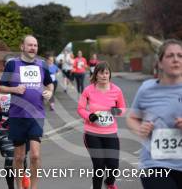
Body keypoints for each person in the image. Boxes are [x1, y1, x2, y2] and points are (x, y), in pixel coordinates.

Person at [0, 35, 53, 189]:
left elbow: (49, 84)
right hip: (17, 116)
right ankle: (20, 187)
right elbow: (1, 87)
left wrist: (49, 92)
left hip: (36, 115)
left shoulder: (42, 65)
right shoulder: (12, 64)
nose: (33, 48)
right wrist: (14, 89)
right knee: (19, 157)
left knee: (35, 155)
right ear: (22, 46)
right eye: (30, 45)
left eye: (35, 45)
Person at [126, 39, 182, 189]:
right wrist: (140, 129)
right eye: (170, 56)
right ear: (160, 62)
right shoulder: (146, 89)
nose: (176, 59)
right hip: (154, 164)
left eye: (180, 55)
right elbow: (132, 117)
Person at [77, 61, 126, 189]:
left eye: (106, 73)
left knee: (113, 166)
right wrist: (89, 116)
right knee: (99, 165)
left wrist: (118, 111)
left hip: (110, 133)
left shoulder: (116, 90)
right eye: (101, 73)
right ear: (96, 75)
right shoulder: (89, 90)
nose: (104, 76)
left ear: (109, 75)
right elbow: (80, 108)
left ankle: (109, 182)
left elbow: (122, 108)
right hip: (92, 133)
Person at [0, 73, 29, 189]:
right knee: (9, 160)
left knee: (21, 159)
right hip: (4, 128)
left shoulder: (25, 86)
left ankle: (23, 177)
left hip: (22, 126)